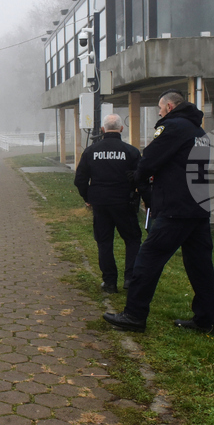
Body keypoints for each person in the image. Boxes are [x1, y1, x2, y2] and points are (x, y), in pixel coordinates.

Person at [103, 90, 214, 335]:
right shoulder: (200, 133)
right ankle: (205, 320)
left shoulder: (172, 127)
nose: (158, 112)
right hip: (198, 208)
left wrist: (138, 179)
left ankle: (134, 315)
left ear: (169, 107)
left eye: (160, 108)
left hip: (175, 207)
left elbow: (149, 159)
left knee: (147, 260)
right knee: (200, 267)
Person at [73, 114, 147, 294]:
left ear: (102, 129)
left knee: (104, 241)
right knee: (132, 239)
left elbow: (80, 179)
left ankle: (109, 282)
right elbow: (140, 177)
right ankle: (130, 279)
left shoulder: (91, 151)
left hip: (100, 203)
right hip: (125, 203)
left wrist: (87, 197)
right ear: (121, 128)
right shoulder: (131, 152)